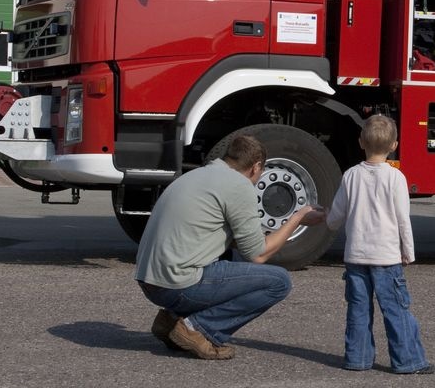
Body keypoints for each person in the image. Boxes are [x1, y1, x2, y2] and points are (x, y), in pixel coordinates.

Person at [135, 134, 326, 360]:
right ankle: (197, 328)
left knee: (230, 255)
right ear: (256, 167)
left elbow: (236, 241)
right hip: (176, 285)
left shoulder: (197, 175)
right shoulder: (238, 185)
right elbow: (258, 254)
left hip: (150, 280)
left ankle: (172, 319)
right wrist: (298, 217)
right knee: (278, 282)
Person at [326, 115, 435, 375]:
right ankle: (407, 361)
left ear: (361, 142)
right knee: (396, 310)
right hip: (387, 258)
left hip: (356, 258)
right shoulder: (396, 178)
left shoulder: (351, 175)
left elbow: (336, 217)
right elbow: (402, 220)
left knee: (358, 310)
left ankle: (357, 358)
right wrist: (408, 252)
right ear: (394, 145)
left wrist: (327, 220)